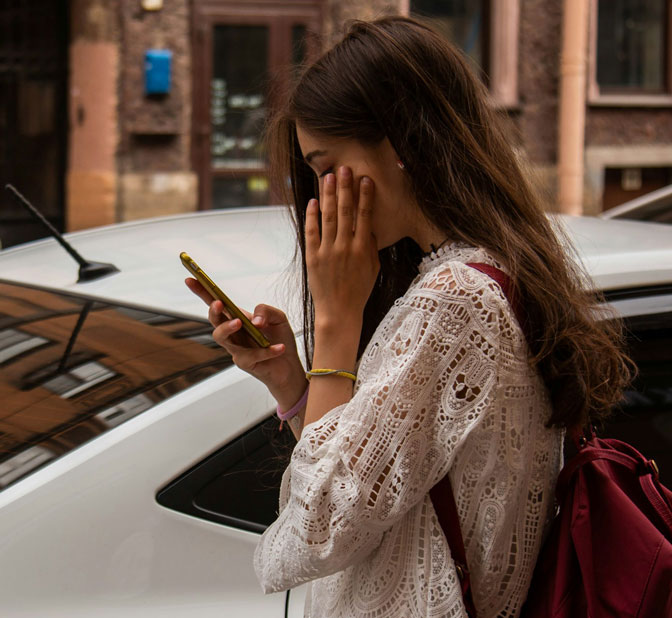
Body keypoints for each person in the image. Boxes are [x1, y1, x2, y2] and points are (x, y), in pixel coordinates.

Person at [186, 16, 631, 618]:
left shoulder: (456, 302)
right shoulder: (476, 279)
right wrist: (291, 381)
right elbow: (372, 484)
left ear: (397, 144)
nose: (319, 196)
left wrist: (339, 325)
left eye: (325, 165)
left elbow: (319, 528)